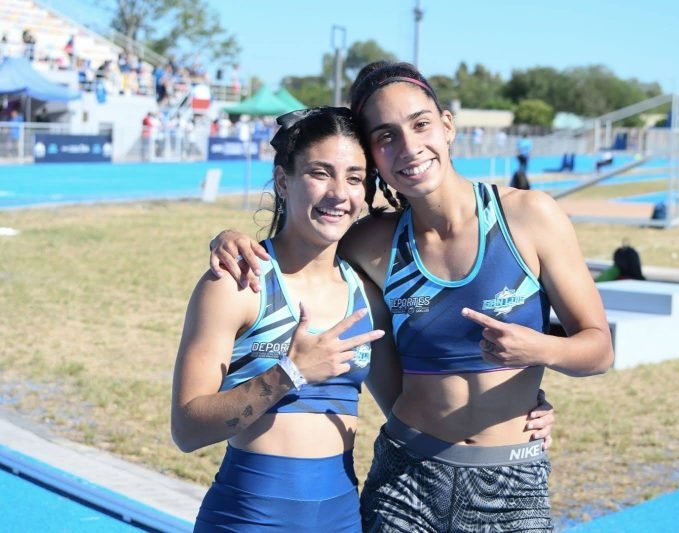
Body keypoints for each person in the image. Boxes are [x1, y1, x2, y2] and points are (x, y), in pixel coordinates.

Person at [210, 61, 608, 531]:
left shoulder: (529, 217)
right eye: (386, 137)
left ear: (447, 126)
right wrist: (230, 237)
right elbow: (296, 240)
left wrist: (541, 349)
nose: (409, 147)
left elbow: (598, 348)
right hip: (406, 479)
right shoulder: (371, 243)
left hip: (511, 480)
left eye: (420, 124)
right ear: (374, 158)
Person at [173, 107, 397, 531]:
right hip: (247, 520)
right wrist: (290, 374)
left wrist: (514, 415)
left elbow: (405, 409)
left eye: (354, 177)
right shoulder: (237, 283)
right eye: (320, 173)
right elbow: (186, 430)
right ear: (282, 181)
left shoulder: (366, 295)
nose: (339, 193)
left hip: (342, 520)